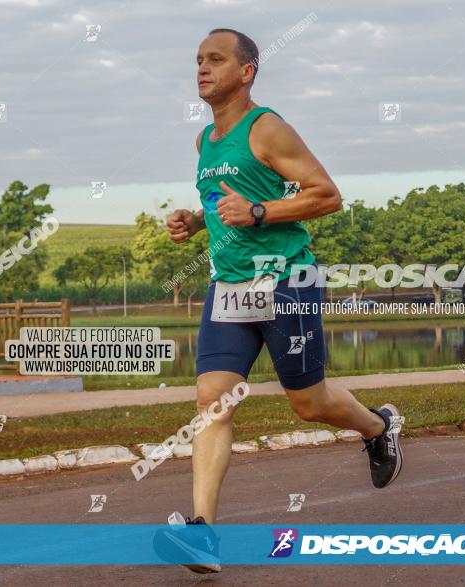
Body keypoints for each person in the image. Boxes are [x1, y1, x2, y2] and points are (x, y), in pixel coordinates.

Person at [153, 28, 403, 574]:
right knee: (211, 400)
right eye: (197, 60)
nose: (202, 68)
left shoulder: (266, 128)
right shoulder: (205, 142)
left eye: (215, 60)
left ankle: (379, 427)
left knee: (308, 403)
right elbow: (227, 202)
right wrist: (195, 221)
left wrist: (263, 213)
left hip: (286, 281)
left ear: (247, 72)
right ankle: (202, 535)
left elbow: (327, 194)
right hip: (229, 286)